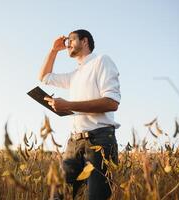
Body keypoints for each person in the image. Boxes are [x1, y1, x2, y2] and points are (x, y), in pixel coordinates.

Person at [38, 29, 121, 200]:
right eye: (66, 40)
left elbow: (112, 103)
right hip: (74, 143)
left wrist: (69, 105)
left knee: (96, 197)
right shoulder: (75, 74)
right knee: (58, 196)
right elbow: (44, 77)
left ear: (85, 42)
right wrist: (54, 50)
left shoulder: (101, 61)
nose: (67, 43)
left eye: (71, 39)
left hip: (100, 140)